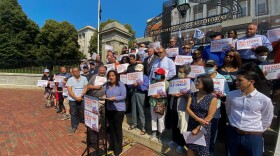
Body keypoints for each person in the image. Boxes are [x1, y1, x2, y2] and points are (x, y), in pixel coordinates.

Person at [226, 70, 273, 156]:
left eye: (240, 80)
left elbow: (267, 120)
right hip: (233, 133)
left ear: (251, 82)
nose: (236, 82)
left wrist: (255, 131)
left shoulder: (264, 100)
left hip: (253, 136)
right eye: (236, 80)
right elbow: (229, 111)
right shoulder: (231, 95)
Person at [186, 74, 218, 156]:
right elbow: (188, 109)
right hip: (192, 123)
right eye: (196, 81)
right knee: (190, 147)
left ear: (206, 83)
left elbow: (209, 116)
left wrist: (198, 127)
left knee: (202, 149)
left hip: (203, 126)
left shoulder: (212, 98)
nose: (196, 83)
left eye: (198, 82)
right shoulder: (192, 95)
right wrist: (197, 118)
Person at [202, 60, 229, 154]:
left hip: (215, 109)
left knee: (212, 131)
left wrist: (221, 94)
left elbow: (226, 92)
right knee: (200, 130)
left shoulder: (222, 78)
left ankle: (210, 151)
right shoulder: (200, 76)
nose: (208, 68)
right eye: (207, 66)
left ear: (216, 67)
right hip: (201, 107)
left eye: (210, 66)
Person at [168, 65, 195, 154]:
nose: (179, 73)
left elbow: (193, 97)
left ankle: (181, 144)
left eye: (181, 72)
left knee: (182, 127)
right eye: (179, 71)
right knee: (174, 124)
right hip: (173, 106)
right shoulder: (175, 80)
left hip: (183, 109)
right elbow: (169, 91)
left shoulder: (190, 83)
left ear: (187, 73)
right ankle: (174, 141)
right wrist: (172, 94)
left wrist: (185, 95)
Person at [105, 70, 127, 156]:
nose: (111, 77)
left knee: (117, 129)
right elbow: (106, 94)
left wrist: (115, 98)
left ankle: (118, 148)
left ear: (116, 76)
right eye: (109, 76)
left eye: (113, 75)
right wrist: (104, 96)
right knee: (111, 128)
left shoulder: (120, 84)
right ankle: (112, 145)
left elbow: (124, 96)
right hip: (109, 109)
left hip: (119, 110)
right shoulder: (107, 85)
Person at [149, 68, 169, 143]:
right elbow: (150, 91)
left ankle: (161, 134)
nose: (156, 75)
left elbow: (169, 94)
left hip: (161, 103)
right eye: (156, 74)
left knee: (161, 119)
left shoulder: (166, 83)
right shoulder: (153, 81)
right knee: (153, 118)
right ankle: (154, 132)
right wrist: (152, 95)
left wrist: (161, 96)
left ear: (162, 75)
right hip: (153, 102)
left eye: (158, 74)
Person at [128, 64, 149, 135]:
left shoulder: (145, 77)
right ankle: (134, 124)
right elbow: (129, 84)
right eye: (136, 70)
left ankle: (143, 127)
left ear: (142, 70)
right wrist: (133, 85)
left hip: (141, 94)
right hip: (134, 92)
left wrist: (138, 86)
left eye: (139, 70)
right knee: (133, 109)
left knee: (141, 110)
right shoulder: (134, 76)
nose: (137, 71)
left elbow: (145, 88)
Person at [66, 67, 88, 135]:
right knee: (73, 113)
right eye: (74, 71)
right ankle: (74, 126)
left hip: (81, 98)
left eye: (77, 71)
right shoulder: (70, 79)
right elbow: (69, 90)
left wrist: (81, 95)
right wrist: (76, 98)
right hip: (73, 99)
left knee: (84, 110)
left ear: (79, 71)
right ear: (72, 72)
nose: (76, 72)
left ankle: (86, 124)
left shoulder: (84, 78)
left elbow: (86, 87)